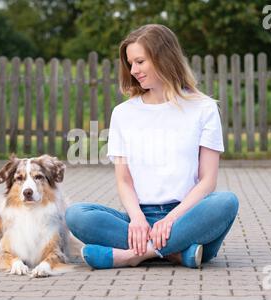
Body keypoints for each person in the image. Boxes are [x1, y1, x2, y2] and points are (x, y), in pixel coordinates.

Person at [66, 24, 239, 269]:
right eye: (130, 63)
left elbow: (207, 181)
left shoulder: (204, 108)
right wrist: (136, 218)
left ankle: (132, 255)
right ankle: (177, 253)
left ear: (163, 58)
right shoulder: (123, 113)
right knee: (76, 216)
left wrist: (171, 220)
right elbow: (124, 180)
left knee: (226, 202)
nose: (134, 70)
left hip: (188, 217)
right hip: (141, 219)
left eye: (140, 61)